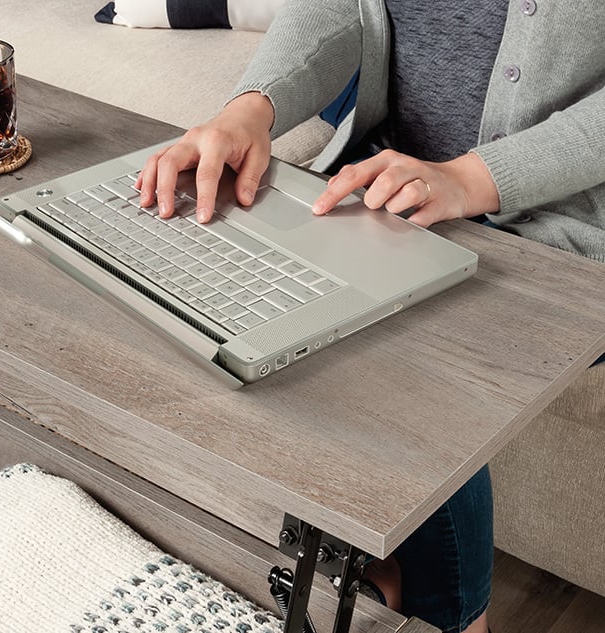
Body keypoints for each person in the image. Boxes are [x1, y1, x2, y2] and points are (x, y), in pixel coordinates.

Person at [134, 2, 605, 632]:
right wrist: (249, 108)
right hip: (382, 184)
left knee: (402, 352)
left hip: (559, 222)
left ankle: (457, 621)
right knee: (205, 270)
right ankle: (364, 565)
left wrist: (472, 178)